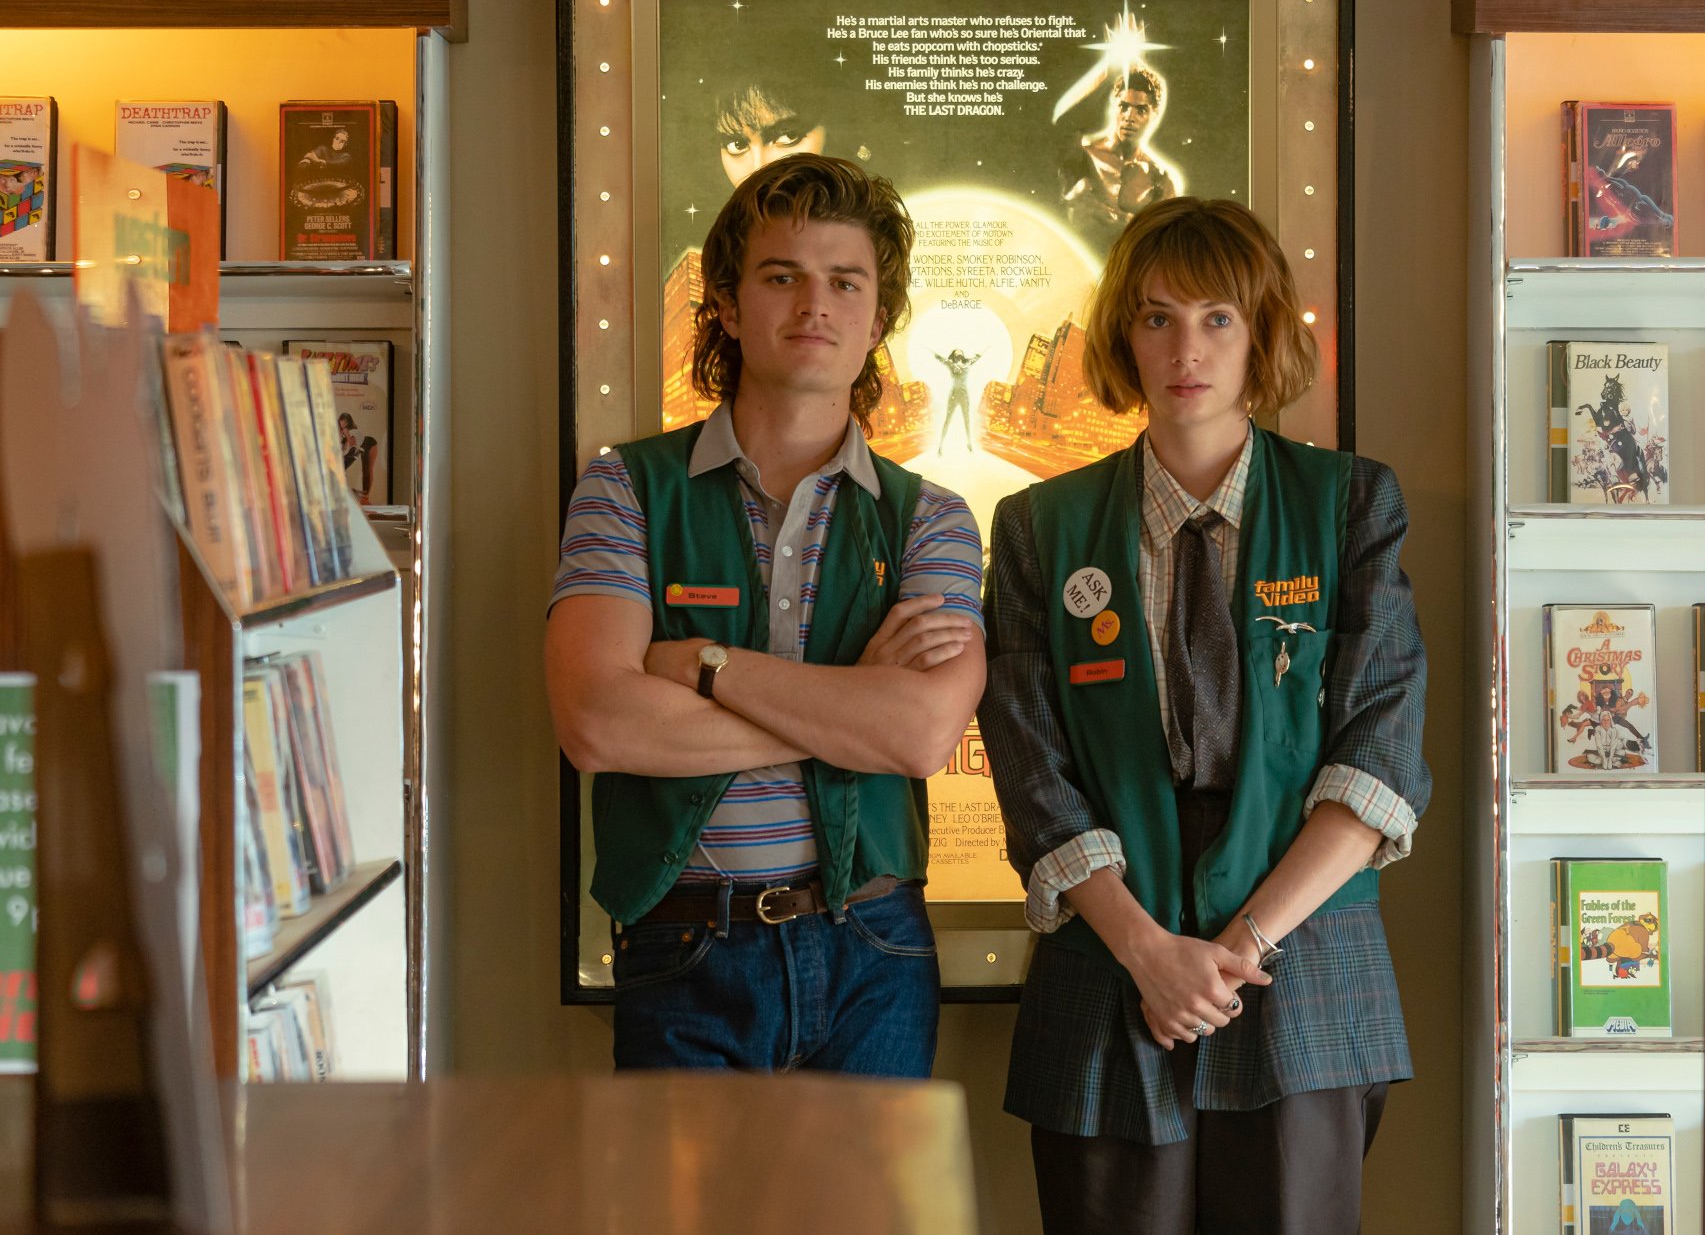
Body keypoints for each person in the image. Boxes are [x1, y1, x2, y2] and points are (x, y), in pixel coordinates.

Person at [978, 197, 1430, 1235]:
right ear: (1118, 338)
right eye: (1155, 317)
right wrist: (1148, 952)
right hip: (1107, 963)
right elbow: (1030, 766)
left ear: (1261, 330)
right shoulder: (1039, 529)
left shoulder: (1348, 505)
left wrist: (1237, 945)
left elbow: (1379, 751)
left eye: (1217, 317)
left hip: (1302, 958)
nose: (1185, 349)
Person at [545, 154, 987, 1077]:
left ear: (879, 318)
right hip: (682, 948)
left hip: (875, 943)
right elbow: (593, 721)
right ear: (728, 304)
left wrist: (705, 665)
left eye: (843, 282)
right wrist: (846, 710)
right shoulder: (624, 487)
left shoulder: (933, 517)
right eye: (781, 276)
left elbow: (917, 735)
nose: (812, 305)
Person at [1058, 66, 1180, 244]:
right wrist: (1107, 70)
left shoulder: (1159, 179)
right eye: (1123, 107)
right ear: (1114, 107)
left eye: (1141, 110)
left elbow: (1166, 242)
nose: (1129, 117)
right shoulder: (1084, 155)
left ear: (1154, 114)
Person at [933, 349, 982, 453]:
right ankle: (940, 446)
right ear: (954, 356)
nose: (959, 354)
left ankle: (969, 442)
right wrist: (937, 356)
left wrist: (979, 355)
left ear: (963, 355)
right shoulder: (951, 364)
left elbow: (976, 358)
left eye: (960, 352)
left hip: (964, 395)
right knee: (948, 419)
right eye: (956, 353)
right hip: (954, 395)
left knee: (966, 419)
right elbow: (942, 360)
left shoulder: (968, 363)